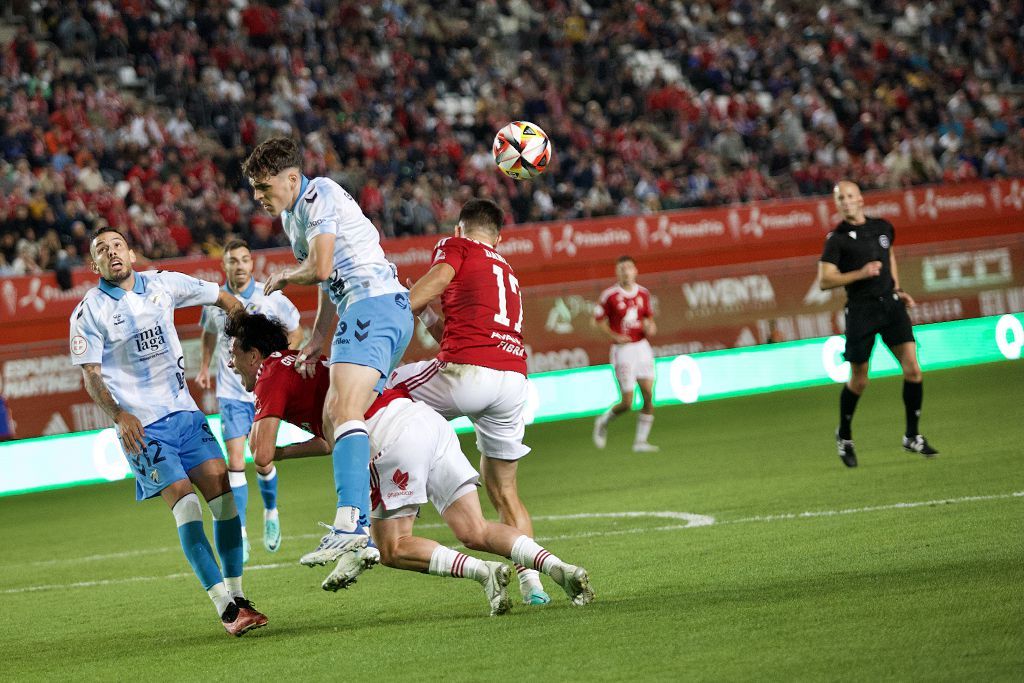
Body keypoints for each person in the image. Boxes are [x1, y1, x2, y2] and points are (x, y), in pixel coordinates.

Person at [224, 311, 594, 615]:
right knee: (475, 529)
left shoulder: (271, 373)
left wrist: (267, 444)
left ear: (254, 354)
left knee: (393, 547)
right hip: (425, 421)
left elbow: (262, 453)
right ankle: (557, 566)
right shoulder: (306, 366)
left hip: (389, 436)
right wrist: (287, 451)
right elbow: (328, 440)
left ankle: (484, 572)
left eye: (233, 353)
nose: (230, 362)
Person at [69, 226, 266, 637]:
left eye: (118, 245)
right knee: (187, 506)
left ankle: (238, 596)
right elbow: (91, 376)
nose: (112, 252)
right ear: (94, 265)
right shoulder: (89, 313)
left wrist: (244, 339)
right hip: (143, 428)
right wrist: (119, 415)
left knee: (226, 504)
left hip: (186, 416)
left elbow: (223, 297)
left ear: (132, 253)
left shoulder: (163, 285)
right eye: (102, 250)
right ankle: (225, 609)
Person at [242, 137, 413, 574]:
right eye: (255, 189)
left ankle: (350, 525)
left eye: (264, 187)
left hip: (372, 304)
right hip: (369, 308)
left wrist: (283, 276)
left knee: (340, 412)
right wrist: (318, 336)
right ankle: (368, 527)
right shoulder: (290, 215)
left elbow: (318, 268)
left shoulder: (320, 194)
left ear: (293, 178)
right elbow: (327, 282)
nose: (258, 197)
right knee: (344, 418)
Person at [386, 198, 549, 606]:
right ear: (499, 238)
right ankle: (535, 585)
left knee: (382, 393)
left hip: (468, 373)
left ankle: (388, 506)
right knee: (506, 493)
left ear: (459, 229)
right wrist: (424, 315)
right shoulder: (506, 271)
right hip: (513, 381)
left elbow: (438, 278)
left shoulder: (455, 247)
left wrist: (399, 308)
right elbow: (454, 331)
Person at [818, 180, 939, 467]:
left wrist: (897, 289)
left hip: (890, 306)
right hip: (861, 310)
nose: (845, 202)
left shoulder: (882, 227)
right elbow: (825, 280)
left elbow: (890, 256)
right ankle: (844, 435)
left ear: (860, 199)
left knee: (913, 369)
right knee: (859, 380)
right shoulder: (837, 239)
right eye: (840, 199)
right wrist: (860, 273)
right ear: (837, 205)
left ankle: (912, 436)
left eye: (849, 196)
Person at [196, 238, 303, 561]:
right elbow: (209, 334)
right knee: (235, 460)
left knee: (263, 458)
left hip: (264, 390)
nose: (239, 266)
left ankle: (271, 512)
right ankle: (240, 529)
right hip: (230, 392)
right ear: (224, 265)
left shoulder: (269, 296)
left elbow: (296, 330)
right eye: (233, 261)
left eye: (244, 259)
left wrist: (287, 361)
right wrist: (203, 367)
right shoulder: (216, 301)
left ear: (251, 264)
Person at [591, 255, 659, 453]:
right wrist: (614, 335)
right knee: (627, 402)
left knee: (648, 394)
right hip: (623, 351)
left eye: (628, 267)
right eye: (621, 268)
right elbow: (597, 320)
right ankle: (603, 421)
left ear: (635, 270)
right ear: (617, 272)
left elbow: (649, 319)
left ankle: (640, 442)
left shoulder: (644, 293)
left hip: (642, 347)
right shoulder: (609, 295)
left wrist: (651, 327)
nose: (625, 271)